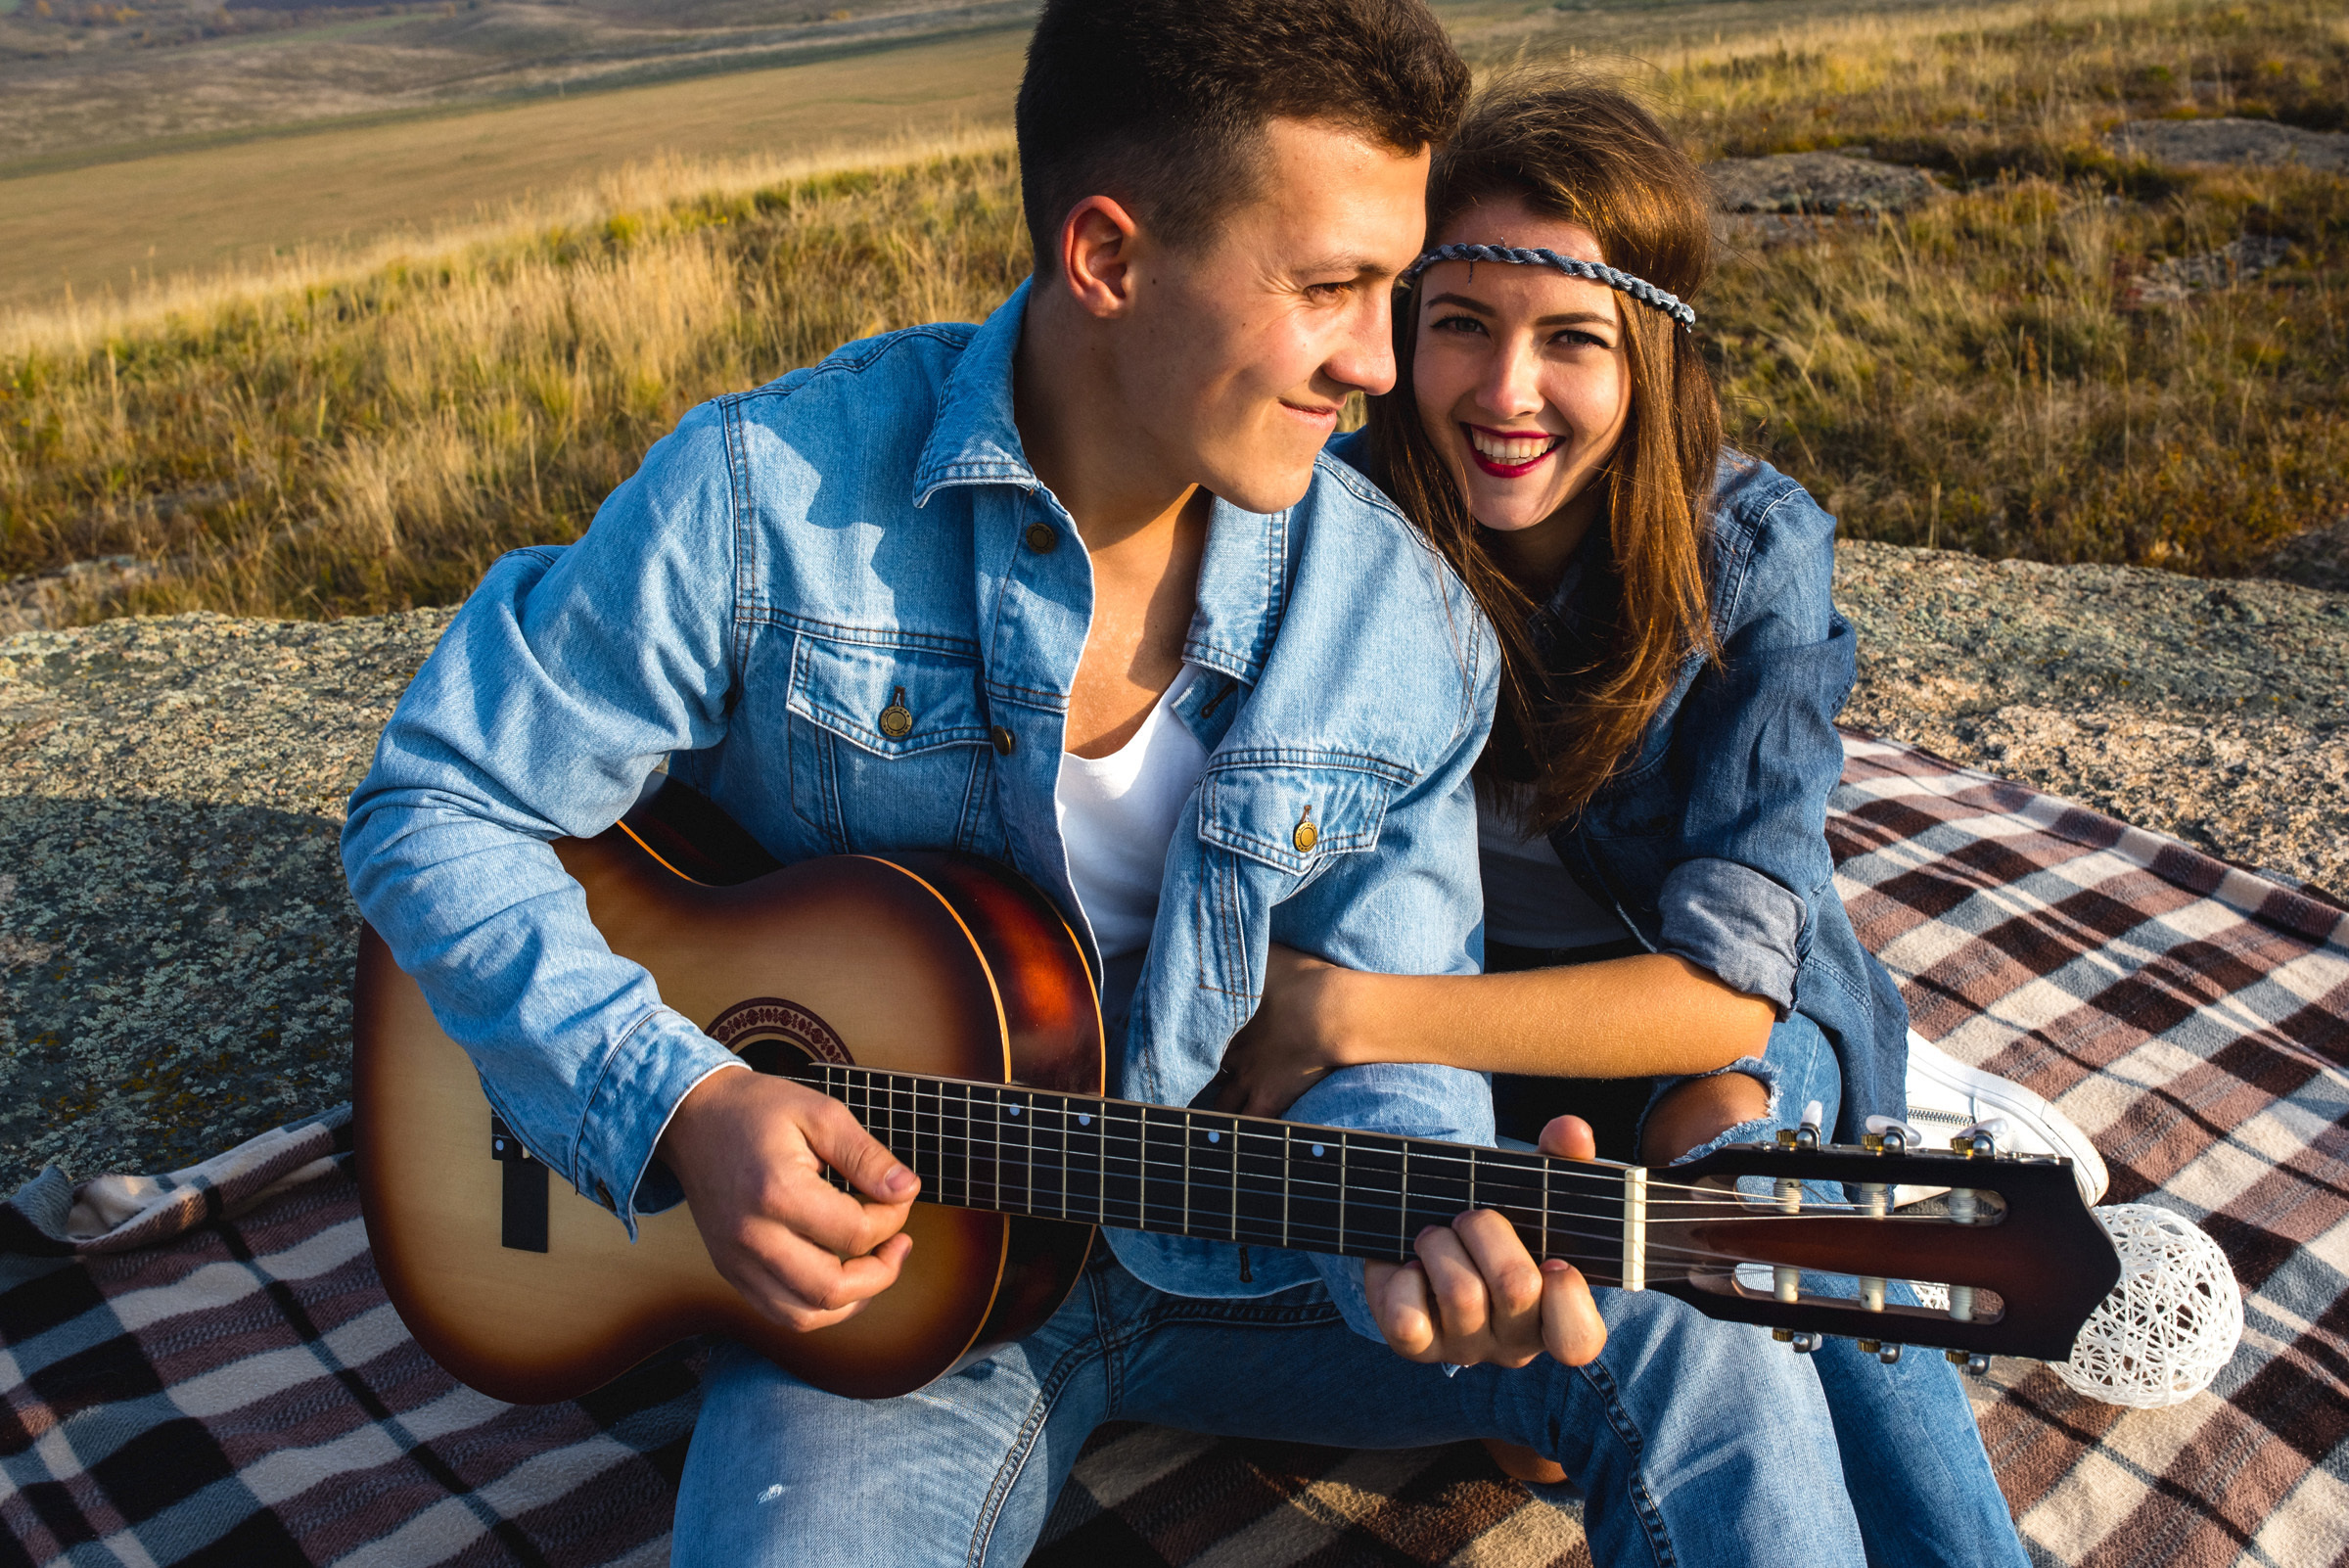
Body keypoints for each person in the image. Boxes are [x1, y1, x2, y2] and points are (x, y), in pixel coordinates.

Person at [345, 6, 1878, 1563]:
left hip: (1249, 1251)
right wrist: (684, 1103)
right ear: (1105, 256)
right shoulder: (767, 501)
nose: (1378, 362)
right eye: (1333, 288)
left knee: (1712, 1343)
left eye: (1391, 289)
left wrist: (1425, 1231)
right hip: (889, 1309)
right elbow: (438, 802)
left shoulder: (1400, 631)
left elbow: (1383, 1021)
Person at [1217, 74, 2034, 1565]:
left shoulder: (1746, 549)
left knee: (1746, 1190)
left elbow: (1728, 993)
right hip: (1479, 1062)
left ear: (1650, 354)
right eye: (1460, 320)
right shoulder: (1338, 522)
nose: (1504, 391)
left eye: (1571, 338)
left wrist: (1347, 1014)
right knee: (1593, 1272)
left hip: (1693, 1033)